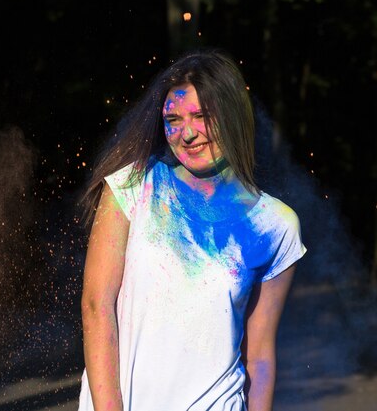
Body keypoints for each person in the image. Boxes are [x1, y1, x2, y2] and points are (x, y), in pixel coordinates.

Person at [78, 49, 306, 411]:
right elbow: (96, 306)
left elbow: (259, 357)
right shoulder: (132, 188)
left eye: (201, 116)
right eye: (174, 118)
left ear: (231, 116)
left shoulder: (275, 225)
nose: (187, 133)